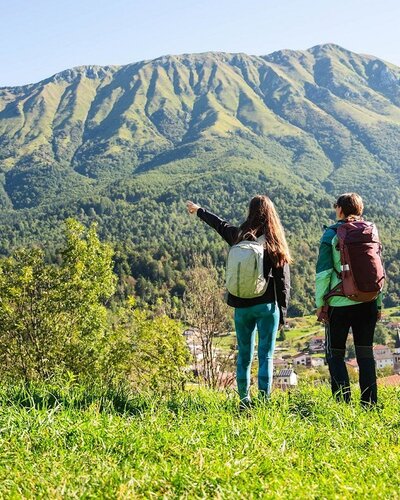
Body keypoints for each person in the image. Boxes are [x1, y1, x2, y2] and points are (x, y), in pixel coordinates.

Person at [187, 195, 291, 409]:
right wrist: (283, 311)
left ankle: (244, 400)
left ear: (249, 211)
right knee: (266, 355)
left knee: (244, 354)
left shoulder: (238, 236)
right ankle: (264, 401)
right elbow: (283, 282)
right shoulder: (274, 242)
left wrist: (199, 210)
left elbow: (219, 224)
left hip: (242, 305)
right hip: (267, 306)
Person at [316, 193, 382, 406]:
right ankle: (369, 403)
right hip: (368, 301)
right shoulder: (371, 231)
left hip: (339, 304)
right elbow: (377, 270)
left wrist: (321, 304)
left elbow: (323, 274)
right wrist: (378, 303)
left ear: (340, 210)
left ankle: (343, 403)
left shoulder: (331, 234)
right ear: (360, 210)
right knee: (365, 353)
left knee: (335, 354)